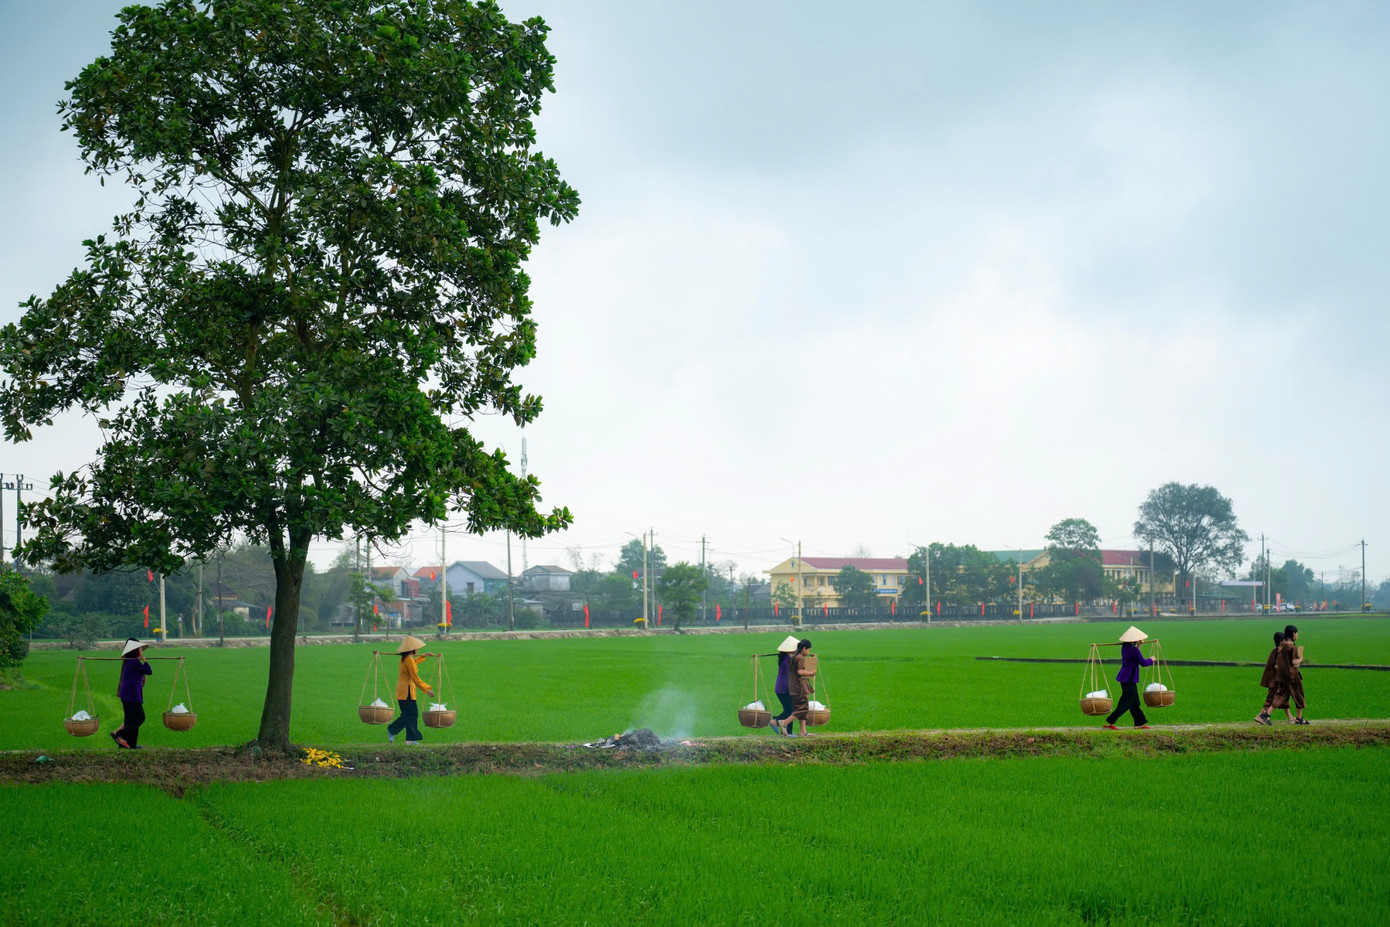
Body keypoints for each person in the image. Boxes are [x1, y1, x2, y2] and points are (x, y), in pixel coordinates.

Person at [387, 635, 435, 744]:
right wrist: (427, 690)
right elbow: (415, 678)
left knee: (409, 714)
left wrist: (424, 656)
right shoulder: (408, 660)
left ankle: (410, 739)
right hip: (406, 691)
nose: (418, 649)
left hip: (403, 690)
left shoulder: (405, 659)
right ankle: (392, 729)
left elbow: (413, 663)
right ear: (412, 649)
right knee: (412, 714)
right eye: (417, 648)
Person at [1104, 626, 1154, 729]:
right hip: (1129, 678)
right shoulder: (1134, 650)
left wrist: (1139, 647)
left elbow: (1134, 656)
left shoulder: (1125, 647)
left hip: (1125, 677)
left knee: (1135, 702)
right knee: (1127, 702)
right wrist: (1152, 659)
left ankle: (1139, 723)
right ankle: (1111, 721)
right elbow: (1143, 663)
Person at [111, 638, 152, 749]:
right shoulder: (134, 662)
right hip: (131, 696)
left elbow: (143, 674)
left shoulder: (130, 661)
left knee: (130, 719)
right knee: (139, 717)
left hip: (129, 695)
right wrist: (145, 660)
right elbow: (149, 671)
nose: (141, 650)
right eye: (139, 649)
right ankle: (120, 736)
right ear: (135, 650)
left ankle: (130, 745)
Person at [1255, 631, 1291, 725]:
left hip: (1274, 679)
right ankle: (1261, 715)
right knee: (1272, 699)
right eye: (1285, 640)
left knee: (1283, 698)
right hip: (1276, 680)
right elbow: (1277, 666)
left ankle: (1290, 718)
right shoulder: (1279, 652)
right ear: (1281, 641)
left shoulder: (1274, 650)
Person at [781, 638, 816, 737]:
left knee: (801, 708)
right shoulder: (800, 658)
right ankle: (784, 722)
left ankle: (803, 732)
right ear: (804, 648)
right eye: (808, 650)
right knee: (803, 709)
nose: (809, 652)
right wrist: (811, 672)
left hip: (793, 687)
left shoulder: (793, 657)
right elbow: (800, 672)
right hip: (799, 687)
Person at [766, 636, 800, 735]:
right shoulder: (788, 660)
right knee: (791, 710)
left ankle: (786, 732)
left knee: (789, 709)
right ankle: (775, 722)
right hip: (785, 689)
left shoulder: (785, 657)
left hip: (781, 688)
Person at [1275, 624, 1308, 724]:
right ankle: (1299, 718)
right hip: (1293, 676)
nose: (1297, 635)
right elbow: (1294, 662)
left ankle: (1266, 714)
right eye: (1297, 633)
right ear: (1293, 634)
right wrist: (1301, 658)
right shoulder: (1292, 647)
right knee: (1299, 695)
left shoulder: (1283, 646)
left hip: (1284, 676)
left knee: (1282, 696)